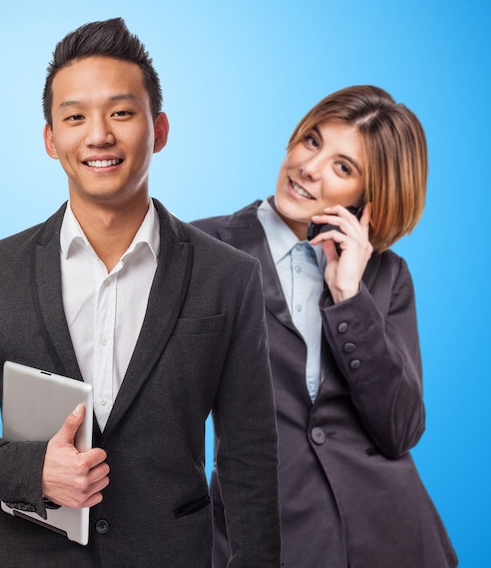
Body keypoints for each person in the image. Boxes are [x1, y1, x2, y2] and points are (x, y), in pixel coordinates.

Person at [0, 18, 281, 567]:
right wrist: (30, 470)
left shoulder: (228, 276)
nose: (99, 134)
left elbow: (249, 455)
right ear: (50, 139)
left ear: (158, 130)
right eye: (75, 116)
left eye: (121, 112)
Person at [193, 85, 458, 568]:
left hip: (394, 536)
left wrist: (349, 296)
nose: (310, 168)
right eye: (312, 142)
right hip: (271, 535)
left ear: (367, 197)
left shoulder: (385, 275)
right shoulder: (200, 248)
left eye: (344, 167)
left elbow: (400, 429)